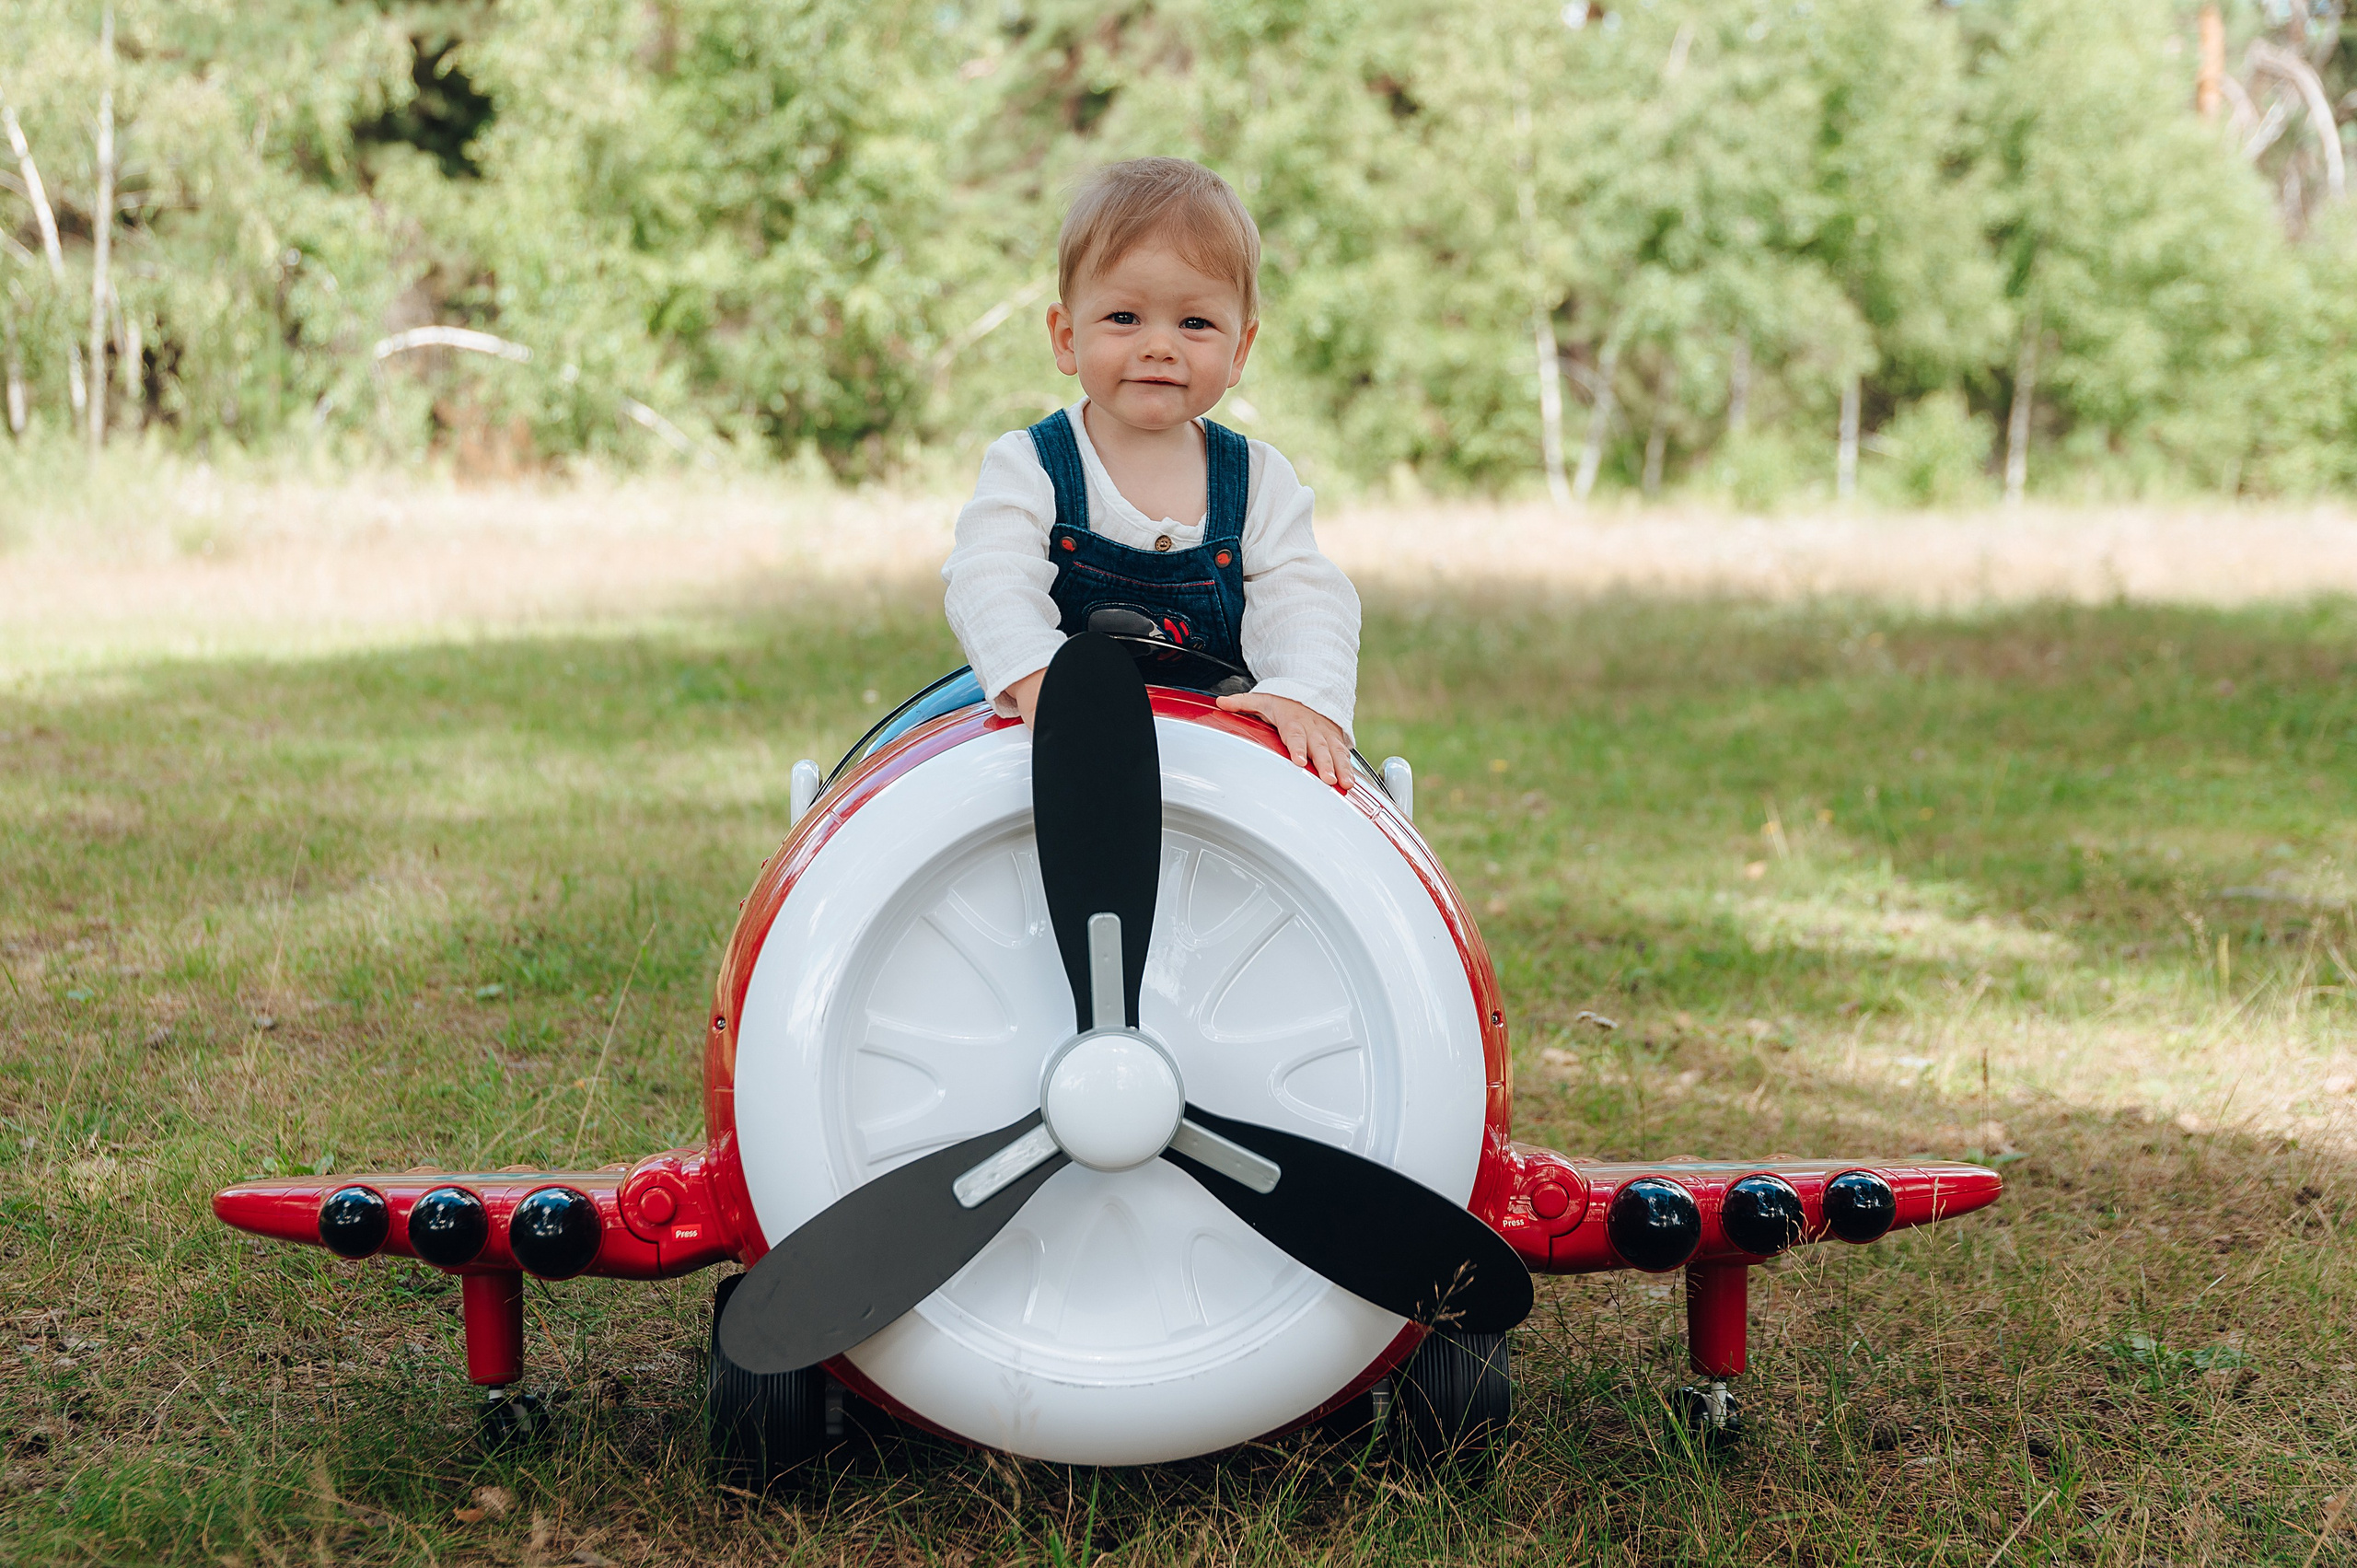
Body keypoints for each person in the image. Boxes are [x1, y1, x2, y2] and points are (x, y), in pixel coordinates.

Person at [942, 157, 1361, 790]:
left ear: (1240, 349)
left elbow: (1306, 599)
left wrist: (1303, 690)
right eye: (1124, 318)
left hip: (1216, 754)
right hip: (1051, 742)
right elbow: (987, 576)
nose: (1159, 345)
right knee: (932, 775)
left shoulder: (1257, 480)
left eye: (1195, 323)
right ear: (1065, 336)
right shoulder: (1031, 464)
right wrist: (1034, 673)